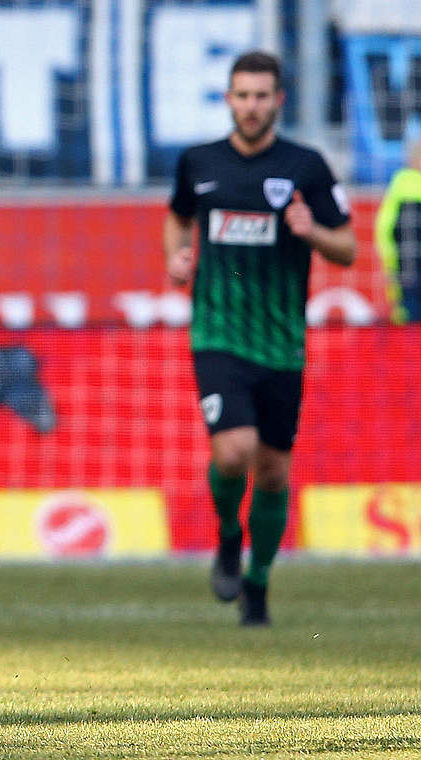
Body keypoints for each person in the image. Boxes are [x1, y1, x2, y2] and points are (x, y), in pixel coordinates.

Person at [164, 51, 355, 626]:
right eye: (241, 95)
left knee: (273, 470)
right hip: (217, 334)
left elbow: (347, 248)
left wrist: (312, 230)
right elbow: (176, 215)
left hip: (282, 344)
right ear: (228, 99)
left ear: (279, 101)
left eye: (261, 95)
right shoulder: (198, 163)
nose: (251, 106)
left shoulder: (307, 166)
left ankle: (259, 583)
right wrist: (176, 256)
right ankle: (227, 535)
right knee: (233, 450)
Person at [373, 138, 421, 323]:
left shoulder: (399, 186)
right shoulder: (406, 186)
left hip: (405, 274)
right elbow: (389, 232)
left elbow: (385, 231)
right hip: (410, 274)